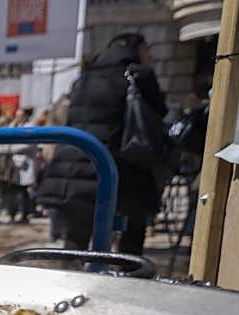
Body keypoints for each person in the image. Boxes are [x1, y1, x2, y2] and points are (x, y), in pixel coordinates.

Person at [37, 33, 167, 255]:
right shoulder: (137, 75)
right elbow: (159, 113)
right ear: (137, 49)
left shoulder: (84, 77)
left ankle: (73, 277)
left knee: (76, 240)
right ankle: (125, 278)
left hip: (73, 168)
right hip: (119, 166)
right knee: (134, 229)